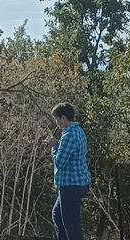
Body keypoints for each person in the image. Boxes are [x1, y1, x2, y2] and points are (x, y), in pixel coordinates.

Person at [42, 103, 91, 240]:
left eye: (56, 118)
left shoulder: (69, 136)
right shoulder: (79, 131)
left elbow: (60, 162)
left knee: (71, 224)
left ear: (63, 117)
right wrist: (57, 144)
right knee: (57, 215)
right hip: (78, 182)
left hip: (71, 185)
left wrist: (53, 147)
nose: (55, 122)